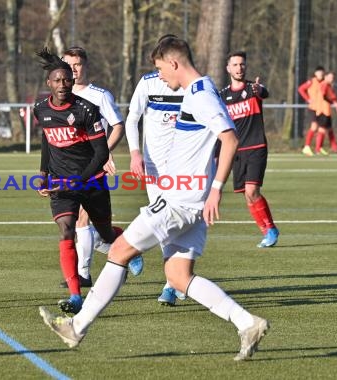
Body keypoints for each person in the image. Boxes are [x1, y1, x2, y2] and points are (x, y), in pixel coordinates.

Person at [39, 36, 270, 362]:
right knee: (178, 276)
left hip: (180, 201)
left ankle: (76, 327)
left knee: (119, 251)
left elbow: (229, 139)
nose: (161, 76)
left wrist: (216, 188)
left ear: (174, 63)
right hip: (189, 200)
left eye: (161, 69)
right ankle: (248, 323)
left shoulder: (201, 94)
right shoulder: (199, 91)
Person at [34, 47, 122, 315]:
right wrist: (43, 173)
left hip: (91, 180)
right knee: (66, 230)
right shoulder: (41, 109)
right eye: (57, 80)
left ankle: (128, 244)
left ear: (72, 81)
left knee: (105, 234)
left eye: (67, 80)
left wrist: (78, 181)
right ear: (49, 83)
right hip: (61, 185)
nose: (62, 85)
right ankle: (75, 295)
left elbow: (101, 153)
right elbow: (48, 141)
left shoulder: (87, 109)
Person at [60, 46, 133, 288]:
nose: (73, 69)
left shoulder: (99, 95)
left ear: (85, 66)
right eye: (68, 64)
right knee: (81, 224)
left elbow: (118, 126)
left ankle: (83, 275)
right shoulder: (60, 96)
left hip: (92, 166)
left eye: (77, 64)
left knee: (81, 220)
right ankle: (124, 248)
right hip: (68, 167)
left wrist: (104, 153)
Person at [125, 35, 187, 306]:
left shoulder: (190, 86)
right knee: (164, 223)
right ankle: (172, 283)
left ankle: (177, 279)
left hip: (186, 167)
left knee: (181, 225)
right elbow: (132, 118)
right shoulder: (148, 83)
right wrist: (135, 153)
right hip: (155, 168)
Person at [220, 51, 279, 248]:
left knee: (252, 189)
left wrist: (259, 89)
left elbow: (264, 92)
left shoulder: (253, 89)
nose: (239, 68)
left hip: (256, 147)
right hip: (237, 151)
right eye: (235, 65)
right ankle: (267, 231)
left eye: (242, 64)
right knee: (247, 193)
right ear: (228, 68)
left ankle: (270, 230)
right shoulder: (222, 96)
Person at [297, 66, 325, 156]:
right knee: (314, 127)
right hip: (313, 108)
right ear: (315, 73)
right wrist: (308, 99)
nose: (320, 74)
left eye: (322, 72)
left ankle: (318, 148)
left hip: (322, 108)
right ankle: (306, 147)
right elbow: (301, 89)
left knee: (321, 128)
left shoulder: (324, 83)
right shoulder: (312, 81)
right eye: (319, 72)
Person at [315, 71, 337, 154]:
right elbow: (324, 96)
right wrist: (334, 103)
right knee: (322, 129)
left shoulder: (329, 86)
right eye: (330, 77)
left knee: (330, 129)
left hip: (327, 111)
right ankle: (318, 149)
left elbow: (333, 98)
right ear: (325, 77)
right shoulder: (324, 84)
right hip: (322, 110)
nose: (331, 79)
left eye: (332, 78)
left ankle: (334, 147)